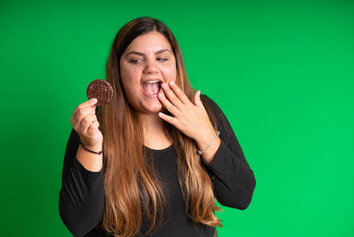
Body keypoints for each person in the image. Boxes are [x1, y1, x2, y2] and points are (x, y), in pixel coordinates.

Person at [59, 17, 256, 237]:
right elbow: (78, 223)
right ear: (118, 70)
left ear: (176, 66)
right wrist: (91, 145)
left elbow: (241, 196)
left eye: (162, 58)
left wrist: (204, 134)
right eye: (136, 60)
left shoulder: (202, 111)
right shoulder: (94, 126)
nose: (151, 68)